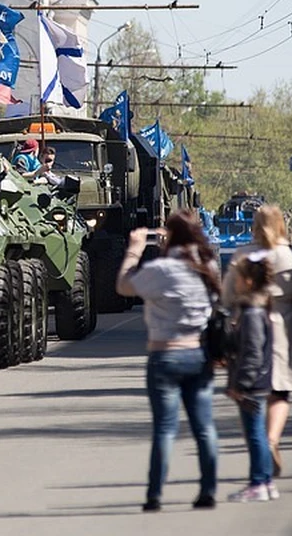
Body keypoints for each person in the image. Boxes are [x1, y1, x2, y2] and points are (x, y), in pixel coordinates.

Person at [116, 210, 220, 512]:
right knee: (204, 427)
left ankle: (155, 495)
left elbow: (124, 286)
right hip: (198, 355)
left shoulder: (160, 269)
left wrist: (134, 250)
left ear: (170, 237)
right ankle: (208, 490)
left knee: (164, 428)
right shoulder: (207, 267)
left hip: (164, 355)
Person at [223, 205, 292, 478]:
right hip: (281, 328)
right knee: (280, 389)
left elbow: (227, 296)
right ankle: (272, 439)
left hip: (247, 322)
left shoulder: (242, 255)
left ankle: (260, 445)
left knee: (250, 388)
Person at [225, 251, 276, 502]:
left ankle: (259, 482)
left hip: (253, 384)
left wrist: (241, 384)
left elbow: (253, 353)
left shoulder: (253, 313)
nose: (234, 282)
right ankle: (266, 481)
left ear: (248, 281)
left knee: (255, 434)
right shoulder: (255, 309)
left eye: (237, 277)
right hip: (258, 381)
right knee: (257, 434)